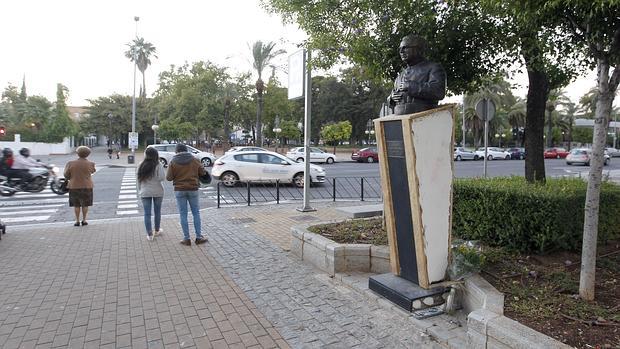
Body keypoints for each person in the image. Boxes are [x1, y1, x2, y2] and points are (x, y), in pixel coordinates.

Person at [387, 34, 447, 115]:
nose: (401, 51)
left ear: (418, 49)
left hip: (423, 119)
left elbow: (438, 91)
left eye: (405, 47)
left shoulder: (433, 68)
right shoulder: (400, 75)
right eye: (400, 49)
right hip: (399, 119)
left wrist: (410, 86)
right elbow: (392, 97)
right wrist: (391, 97)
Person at [166, 143, 207, 246]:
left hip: (179, 189)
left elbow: (169, 178)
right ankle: (198, 237)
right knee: (196, 213)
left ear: (176, 151)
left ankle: (186, 239)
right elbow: (203, 173)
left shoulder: (173, 162)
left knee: (183, 214)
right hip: (193, 188)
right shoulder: (194, 160)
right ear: (186, 150)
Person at [137, 147, 165, 241]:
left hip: (145, 191)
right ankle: (157, 230)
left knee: (147, 213)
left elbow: (138, 179)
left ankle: (149, 234)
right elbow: (162, 177)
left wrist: (140, 190)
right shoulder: (158, 164)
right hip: (157, 191)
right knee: (157, 212)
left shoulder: (141, 165)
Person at [64, 146, 96, 226]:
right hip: (87, 186)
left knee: (76, 204)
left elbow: (66, 175)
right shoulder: (90, 164)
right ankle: (84, 220)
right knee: (85, 204)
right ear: (88, 154)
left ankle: (77, 221)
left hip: (74, 186)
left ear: (77, 153)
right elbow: (92, 171)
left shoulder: (70, 163)